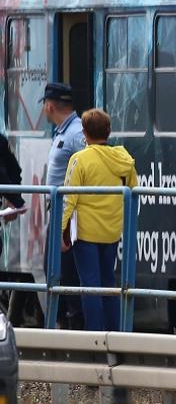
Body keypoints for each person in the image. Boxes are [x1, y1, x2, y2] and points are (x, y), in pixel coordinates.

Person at [59, 109, 135, 333]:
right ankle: (115, 332)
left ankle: (95, 334)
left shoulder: (79, 159)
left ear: (84, 133)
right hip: (112, 231)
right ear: (108, 132)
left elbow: (68, 199)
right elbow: (133, 192)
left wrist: (60, 232)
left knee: (90, 285)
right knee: (109, 284)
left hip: (85, 233)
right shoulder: (124, 160)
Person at [41, 82, 86, 327]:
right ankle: (61, 325)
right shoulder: (62, 131)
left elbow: (88, 166)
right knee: (52, 270)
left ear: (49, 105)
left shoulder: (76, 133)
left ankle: (72, 327)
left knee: (66, 273)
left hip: (68, 215)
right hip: (58, 212)